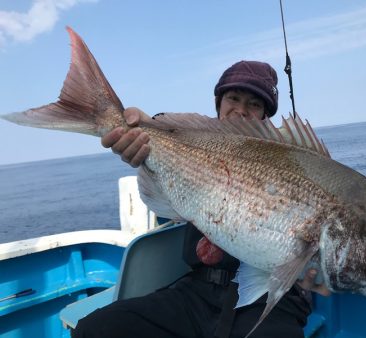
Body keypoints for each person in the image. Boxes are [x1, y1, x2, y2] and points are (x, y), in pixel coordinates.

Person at [73, 61, 329, 338]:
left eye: (254, 104)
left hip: (269, 302)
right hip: (198, 291)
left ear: (265, 116)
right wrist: (142, 129)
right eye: (233, 98)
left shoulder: (289, 161)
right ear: (218, 103)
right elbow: (168, 134)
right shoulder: (196, 143)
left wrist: (317, 270)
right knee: (96, 330)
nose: (240, 109)